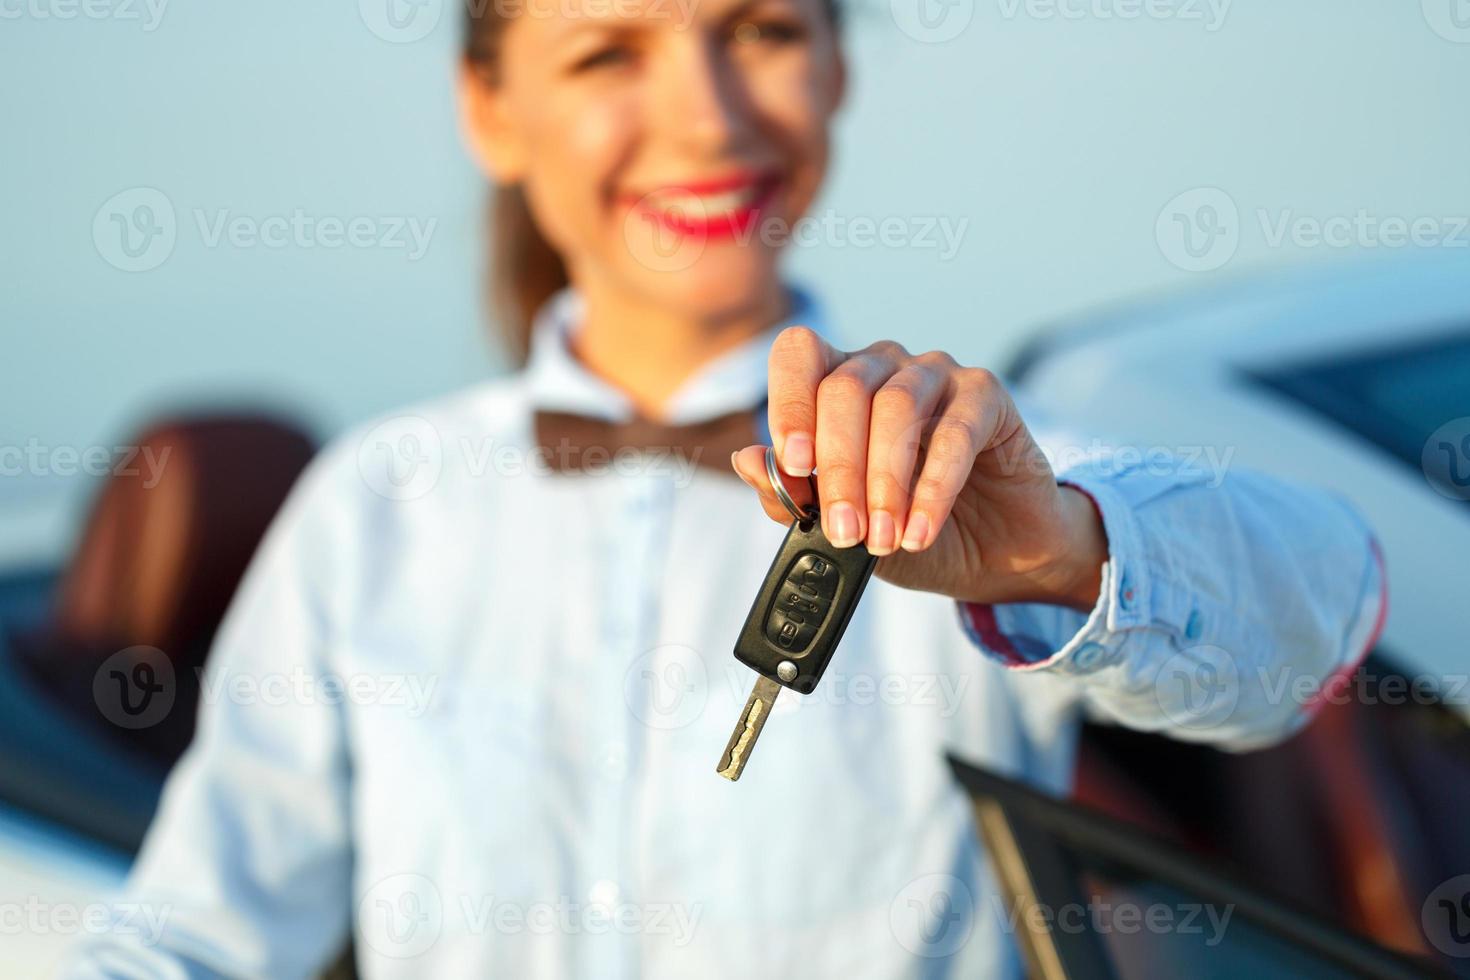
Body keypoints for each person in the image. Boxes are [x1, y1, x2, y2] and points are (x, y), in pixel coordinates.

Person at [69, 0, 1386, 975]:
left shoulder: (972, 467)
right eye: (607, 51)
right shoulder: (375, 507)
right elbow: (199, 933)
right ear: (489, 110)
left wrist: (1056, 551)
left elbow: (1314, 613)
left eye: (758, 29)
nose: (707, 116)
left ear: (833, 67)